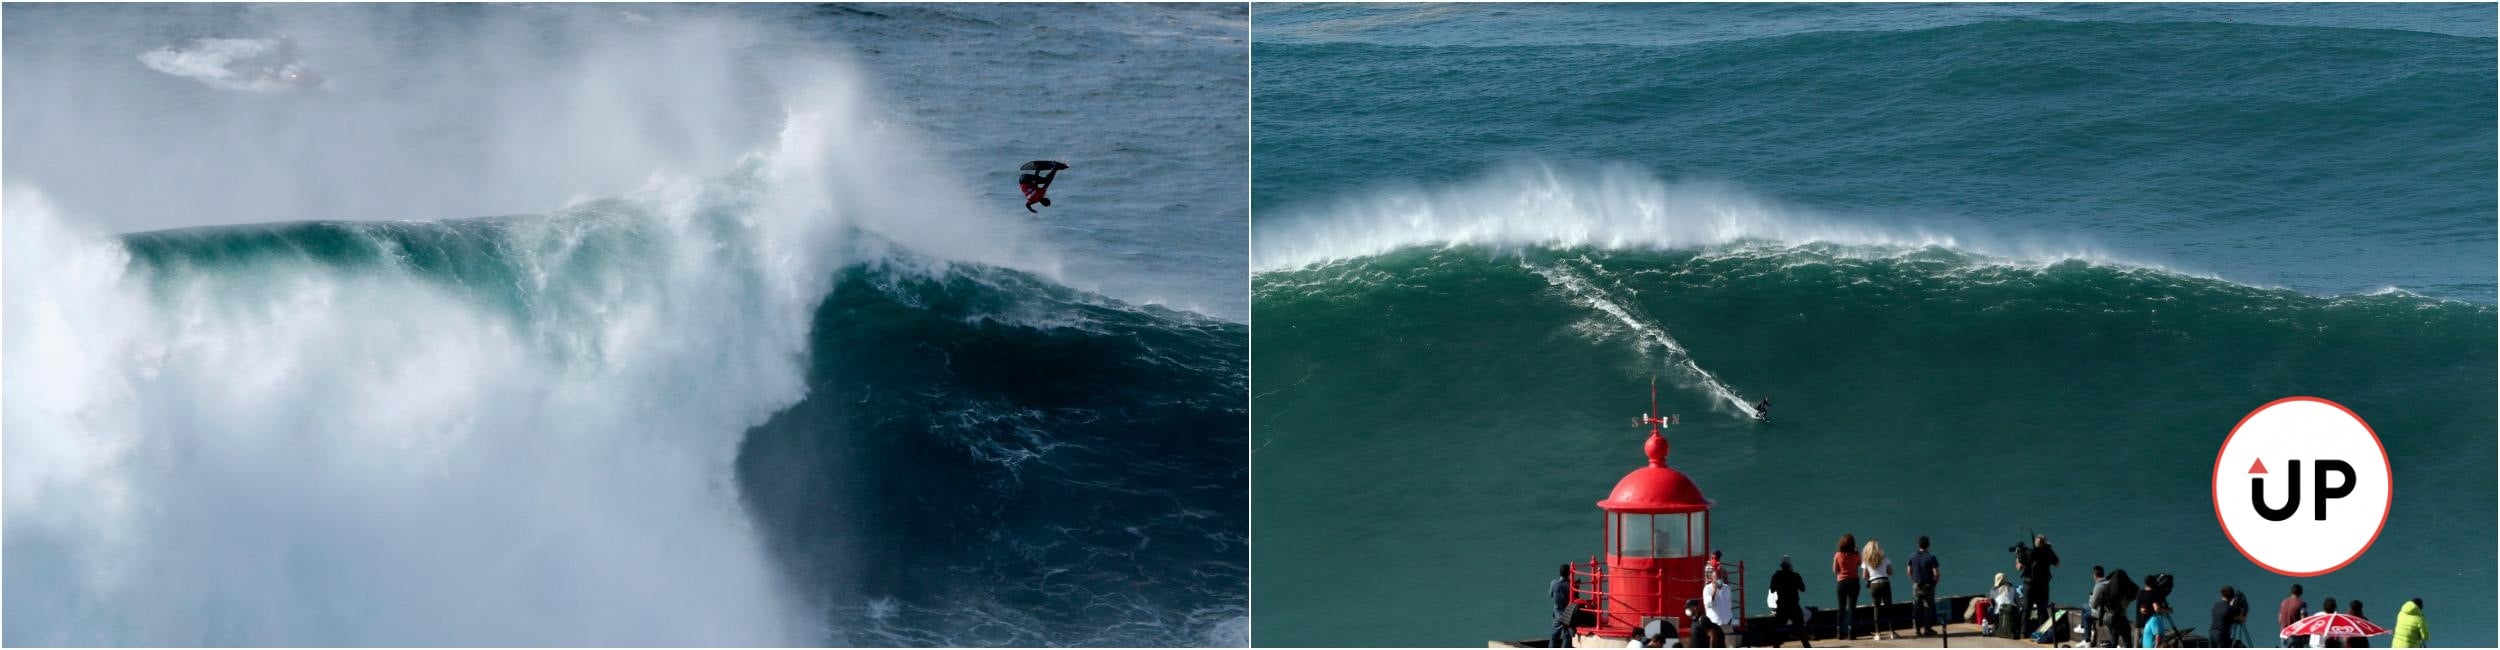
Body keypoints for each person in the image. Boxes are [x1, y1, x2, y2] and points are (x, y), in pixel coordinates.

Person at [1769, 556, 1812, 648]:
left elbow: (1772, 590)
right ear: (1790, 565)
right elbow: (1803, 588)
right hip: (1794, 606)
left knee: (1778, 632)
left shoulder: (1776, 576)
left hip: (1781, 607)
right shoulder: (1795, 575)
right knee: (1802, 630)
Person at [2020, 534, 2060, 627]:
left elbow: (2019, 567)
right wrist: (2050, 551)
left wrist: (2018, 556)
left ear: (2035, 543)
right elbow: (2057, 563)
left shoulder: (2029, 552)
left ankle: (2023, 631)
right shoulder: (2048, 552)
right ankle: (2041, 632)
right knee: (2042, 608)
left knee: (2027, 609)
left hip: (2029, 584)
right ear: (2045, 543)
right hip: (2043, 584)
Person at [1907, 536, 1942, 637]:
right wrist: (1934, 584)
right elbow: (1936, 574)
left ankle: (1916, 630)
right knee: (1928, 608)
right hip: (1928, 586)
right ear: (1928, 545)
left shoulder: (1912, 557)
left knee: (1916, 608)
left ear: (1918, 545)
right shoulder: (1931, 557)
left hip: (1916, 585)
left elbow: (1909, 571)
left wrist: (1914, 581)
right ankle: (1927, 629)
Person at [1861, 539, 1896, 640]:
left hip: (1874, 584)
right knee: (1888, 607)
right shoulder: (1884, 558)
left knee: (1876, 609)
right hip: (1885, 583)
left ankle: (1877, 633)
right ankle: (1892, 632)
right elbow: (1890, 572)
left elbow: (1864, 576)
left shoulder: (1866, 560)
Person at [1832, 534, 1861, 641]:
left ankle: (1839, 632)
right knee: (1852, 608)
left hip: (1842, 582)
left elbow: (1835, 570)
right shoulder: (1856, 555)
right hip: (1854, 582)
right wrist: (1857, 552)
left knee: (1841, 607)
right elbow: (1860, 564)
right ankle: (1851, 633)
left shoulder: (1838, 555)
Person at [1703, 567, 1736, 644]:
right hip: (1715, 625)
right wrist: (1714, 590)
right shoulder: (1707, 589)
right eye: (1717, 578)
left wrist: (1730, 618)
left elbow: (1728, 605)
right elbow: (1708, 605)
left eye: (1720, 577)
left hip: (1727, 623)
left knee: (1731, 645)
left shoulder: (1727, 588)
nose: (1719, 580)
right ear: (1712, 578)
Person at [1552, 564, 1577, 648]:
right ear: (1569, 573)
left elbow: (1551, 595)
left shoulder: (1554, 583)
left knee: (1554, 637)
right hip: (1567, 615)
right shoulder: (1571, 585)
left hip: (1557, 614)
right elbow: (1576, 599)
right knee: (1567, 637)